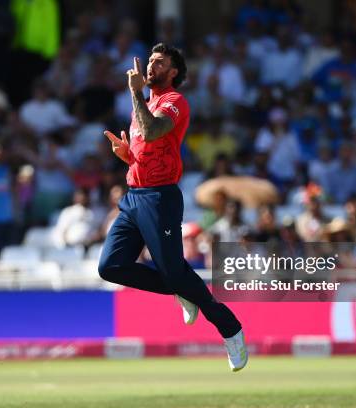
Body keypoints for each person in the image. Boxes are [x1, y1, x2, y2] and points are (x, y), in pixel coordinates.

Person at [98, 43, 247, 372]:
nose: (150, 66)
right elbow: (146, 146)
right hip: (133, 197)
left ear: (173, 72)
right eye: (150, 60)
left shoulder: (174, 102)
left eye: (159, 62)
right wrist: (128, 155)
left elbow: (152, 131)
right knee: (110, 266)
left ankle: (230, 329)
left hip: (159, 197)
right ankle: (181, 289)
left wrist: (135, 93)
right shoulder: (147, 103)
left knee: (175, 272)